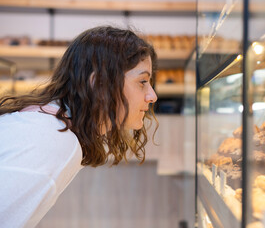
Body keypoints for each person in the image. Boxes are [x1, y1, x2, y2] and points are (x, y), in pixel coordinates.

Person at [0, 26, 158, 228]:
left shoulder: (53, 124)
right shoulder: (54, 139)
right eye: (142, 81)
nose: (152, 96)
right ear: (99, 84)